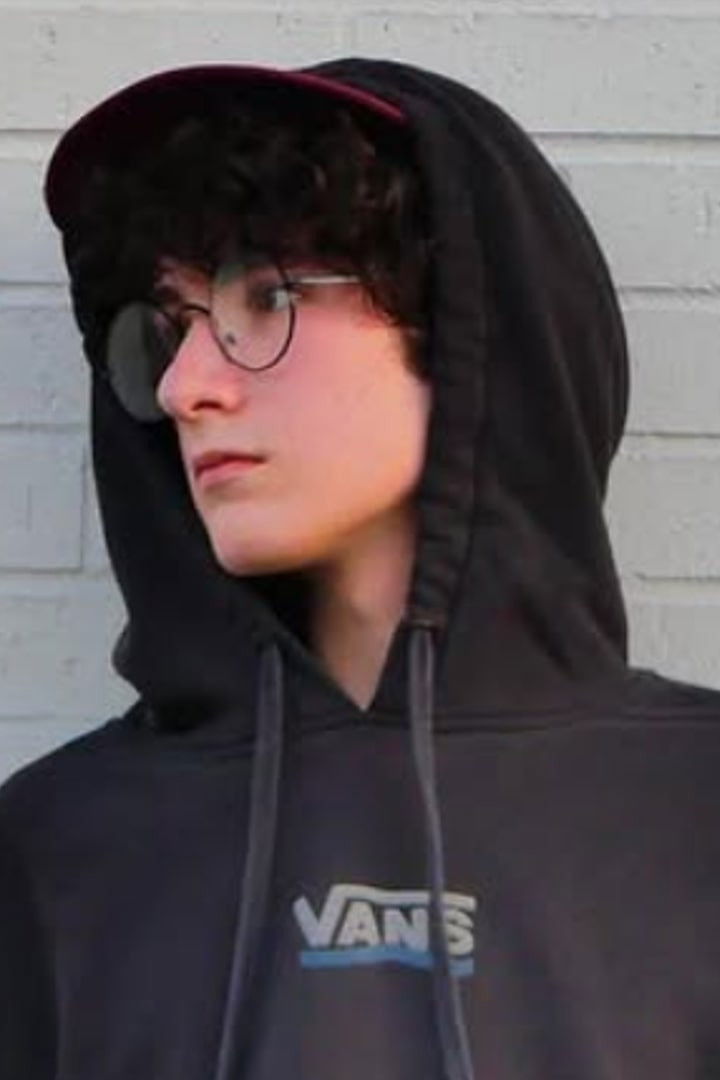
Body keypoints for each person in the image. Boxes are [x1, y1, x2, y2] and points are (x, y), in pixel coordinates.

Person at [0, 57, 718, 1080]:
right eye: (171, 327)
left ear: (462, 325)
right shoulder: (58, 851)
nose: (184, 386)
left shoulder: (692, 813)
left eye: (266, 296)